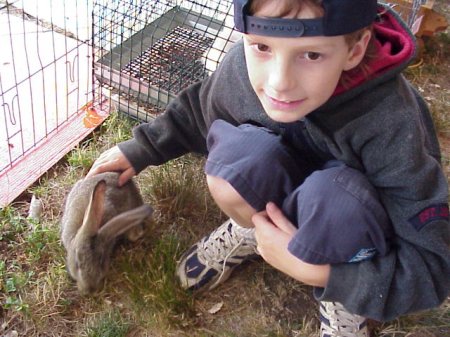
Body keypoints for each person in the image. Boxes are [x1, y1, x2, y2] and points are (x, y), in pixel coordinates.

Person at [87, 0, 450, 336]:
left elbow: (433, 266)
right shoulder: (244, 69)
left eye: (311, 54)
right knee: (235, 159)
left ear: (354, 50)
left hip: (353, 216)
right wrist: (142, 148)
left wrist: (324, 274)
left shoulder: (390, 123)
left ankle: (342, 299)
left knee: (336, 203)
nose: (279, 82)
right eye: (261, 47)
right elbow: (200, 108)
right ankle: (254, 230)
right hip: (294, 186)